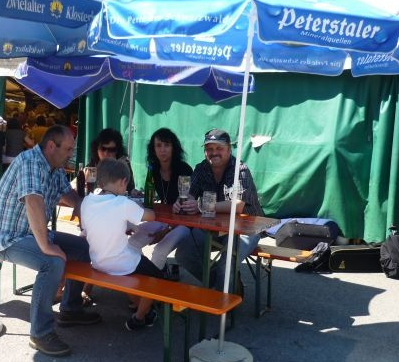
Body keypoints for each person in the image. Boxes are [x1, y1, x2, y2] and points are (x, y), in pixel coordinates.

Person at [0, 125, 101, 357]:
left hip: (32, 234)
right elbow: (33, 201)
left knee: (84, 248)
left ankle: (70, 308)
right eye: (68, 149)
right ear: (51, 146)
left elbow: (67, 193)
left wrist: (82, 207)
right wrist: (46, 246)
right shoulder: (30, 161)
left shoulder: (54, 166)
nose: (71, 154)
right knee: (52, 262)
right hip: (8, 240)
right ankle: (40, 333)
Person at [173, 129, 264, 292]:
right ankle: (221, 286)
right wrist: (182, 203)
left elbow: (238, 205)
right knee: (184, 254)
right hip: (213, 228)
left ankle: (223, 295)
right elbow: (190, 194)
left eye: (219, 148)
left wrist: (202, 206)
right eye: (209, 148)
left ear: (229, 150)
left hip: (245, 230)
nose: (214, 152)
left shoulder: (240, 169)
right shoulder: (201, 168)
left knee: (227, 262)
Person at [81, 158, 164, 330]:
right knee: (157, 278)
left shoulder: (87, 201)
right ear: (122, 182)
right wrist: (141, 206)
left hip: (97, 261)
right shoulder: (123, 203)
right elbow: (151, 216)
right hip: (121, 263)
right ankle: (139, 318)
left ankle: (147, 312)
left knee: (132, 269)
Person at [128, 128, 193, 277]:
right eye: (158, 145)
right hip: (163, 219)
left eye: (167, 145)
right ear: (153, 149)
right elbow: (151, 198)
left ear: (173, 147)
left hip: (184, 223)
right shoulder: (153, 168)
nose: (162, 150)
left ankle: (151, 287)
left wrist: (166, 231)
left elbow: (186, 206)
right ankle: (154, 274)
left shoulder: (184, 169)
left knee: (159, 251)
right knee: (132, 243)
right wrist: (141, 196)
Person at [88, 128, 137, 195]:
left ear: (117, 151)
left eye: (111, 150)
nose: (106, 153)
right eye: (103, 149)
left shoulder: (123, 164)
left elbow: (130, 188)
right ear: (96, 148)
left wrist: (133, 192)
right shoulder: (93, 164)